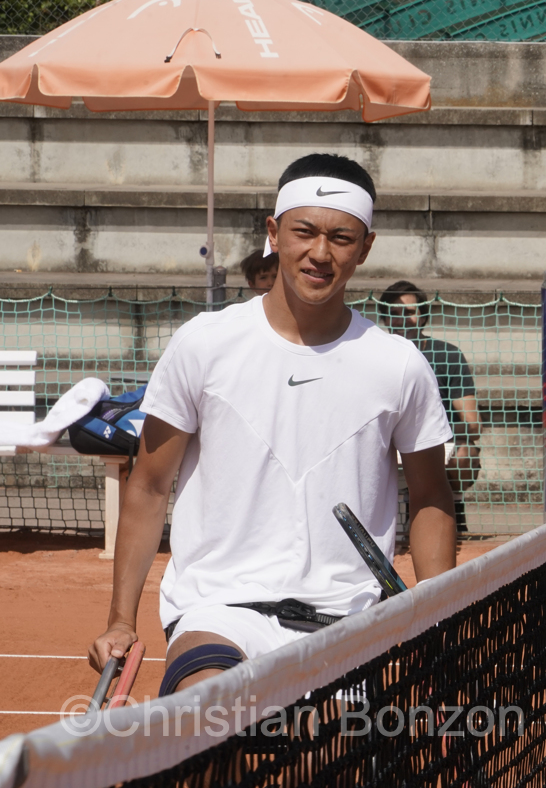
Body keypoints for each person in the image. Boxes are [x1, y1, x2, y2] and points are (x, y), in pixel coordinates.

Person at [88, 153, 458, 696]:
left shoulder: (399, 365)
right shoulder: (204, 343)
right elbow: (148, 484)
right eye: (304, 231)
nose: (320, 253)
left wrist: (440, 616)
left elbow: (430, 495)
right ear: (273, 233)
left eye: (342, 238)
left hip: (349, 618)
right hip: (219, 608)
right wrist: (121, 618)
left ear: (365, 247)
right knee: (206, 708)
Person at [379, 279, 482, 534]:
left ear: (423, 316)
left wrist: (431, 433)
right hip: (386, 445)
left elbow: (473, 424)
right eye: (395, 312)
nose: (403, 319)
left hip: (437, 443)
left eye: (410, 312)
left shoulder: (448, 355)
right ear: (384, 318)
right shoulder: (374, 356)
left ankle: (453, 510)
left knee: (465, 455)